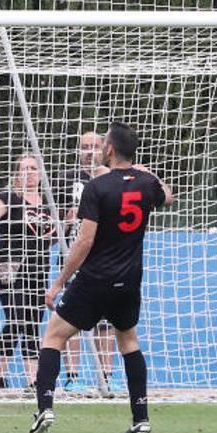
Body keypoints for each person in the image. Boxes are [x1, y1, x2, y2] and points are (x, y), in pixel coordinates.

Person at [29, 122, 173, 433]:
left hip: (95, 279)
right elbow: (168, 197)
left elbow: (84, 242)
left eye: (103, 142)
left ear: (109, 149)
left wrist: (58, 283)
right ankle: (141, 418)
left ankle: (45, 409)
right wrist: (148, 171)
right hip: (129, 280)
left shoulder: (97, 187)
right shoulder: (147, 183)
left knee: (53, 336)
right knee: (129, 341)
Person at [56, 131, 123, 393]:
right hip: (75, 256)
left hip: (106, 257)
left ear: (105, 149)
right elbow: (54, 222)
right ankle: (73, 376)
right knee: (71, 318)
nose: (89, 151)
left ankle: (107, 376)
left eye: (94, 146)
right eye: (84, 146)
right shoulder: (66, 179)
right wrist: (67, 219)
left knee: (107, 322)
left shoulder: (113, 178)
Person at [0, 154, 56, 390]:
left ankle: (32, 379)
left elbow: (51, 235)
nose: (29, 173)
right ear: (16, 174)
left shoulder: (48, 201)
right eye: (24, 169)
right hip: (9, 266)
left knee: (33, 322)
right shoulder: (9, 197)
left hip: (38, 268)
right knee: (16, 317)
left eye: (33, 168)